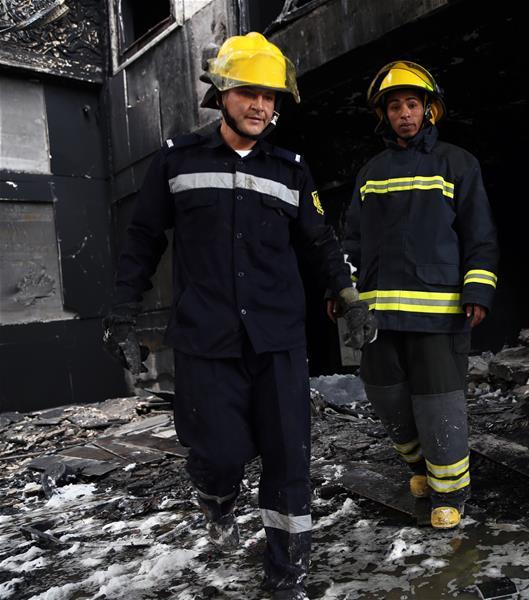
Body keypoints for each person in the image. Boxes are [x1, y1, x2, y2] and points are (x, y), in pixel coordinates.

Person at [101, 32, 375, 599]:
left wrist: (348, 295)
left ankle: (285, 573)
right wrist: (122, 315)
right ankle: (216, 495)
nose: (260, 106)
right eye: (249, 92)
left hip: (277, 339)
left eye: (270, 97)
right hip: (206, 339)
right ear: (222, 93)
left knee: (287, 459)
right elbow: (142, 241)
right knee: (218, 453)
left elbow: (320, 242)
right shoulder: (176, 160)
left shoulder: (291, 170)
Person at [336, 61, 499, 529]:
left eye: (412, 104)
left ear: (429, 110)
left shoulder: (457, 162)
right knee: (386, 397)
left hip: (438, 313)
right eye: (394, 106)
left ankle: (450, 493)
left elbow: (480, 234)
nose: (404, 113)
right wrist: (342, 292)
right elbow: (351, 240)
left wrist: (478, 288)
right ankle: (418, 468)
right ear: (383, 115)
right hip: (378, 317)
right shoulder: (370, 172)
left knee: (437, 401)